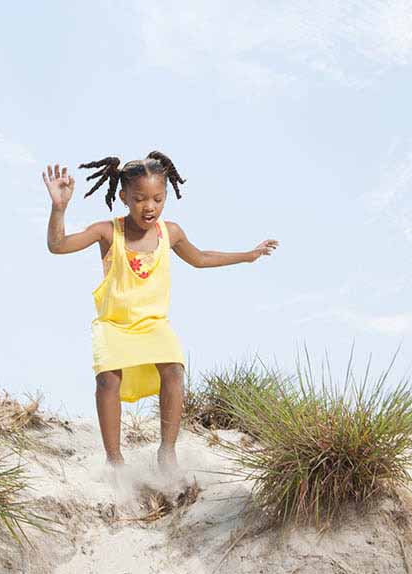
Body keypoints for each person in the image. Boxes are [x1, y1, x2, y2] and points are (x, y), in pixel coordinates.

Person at [42, 151, 278, 485]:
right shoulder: (107, 232)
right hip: (114, 325)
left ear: (166, 197)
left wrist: (247, 256)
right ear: (124, 197)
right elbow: (58, 246)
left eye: (157, 198)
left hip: (153, 324)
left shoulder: (172, 233)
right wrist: (59, 208)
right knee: (107, 379)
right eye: (139, 199)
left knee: (173, 369)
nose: (149, 206)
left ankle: (167, 451)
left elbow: (200, 258)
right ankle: (114, 460)